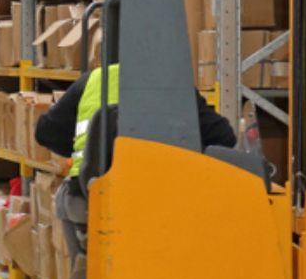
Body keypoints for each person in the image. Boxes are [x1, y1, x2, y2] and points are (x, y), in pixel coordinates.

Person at [34, 62, 237, 250]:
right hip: (152, 207)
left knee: (68, 211)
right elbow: (224, 137)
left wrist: (85, 151)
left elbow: (44, 132)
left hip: (86, 195)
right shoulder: (172, 86)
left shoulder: (94, 80)